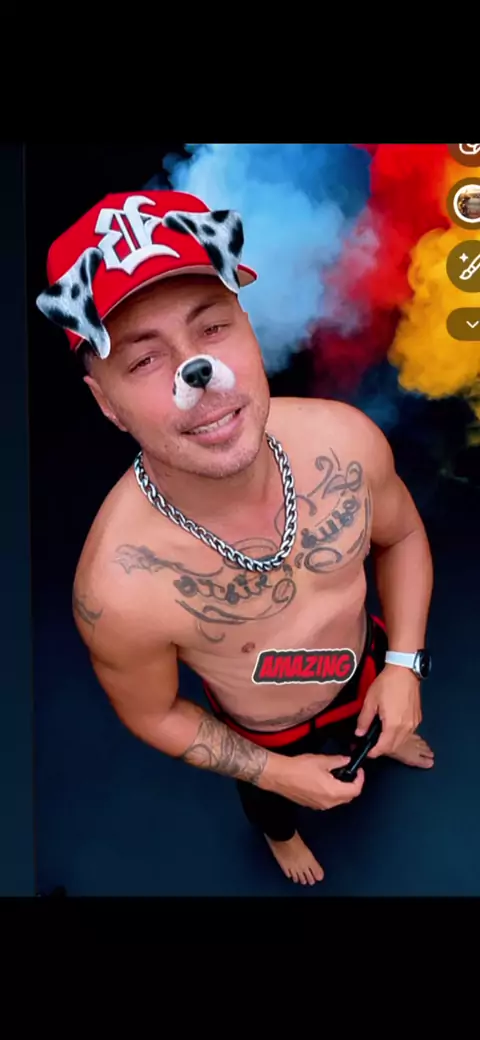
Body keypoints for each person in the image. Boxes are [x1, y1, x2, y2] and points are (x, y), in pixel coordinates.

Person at [37, 188, 434, 886]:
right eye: (143, 360)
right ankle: (281, 834)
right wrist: (278, 774)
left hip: (366, 661)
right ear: (108, 404)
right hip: (265, 733)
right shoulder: (119, 588)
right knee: (271, 808)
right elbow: (154, 714)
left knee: (386, 719)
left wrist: (403, 666)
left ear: (249, 330)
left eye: (213, 327)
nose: (199, 374)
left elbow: (400, 539)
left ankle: (386, 731)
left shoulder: (346, 442)